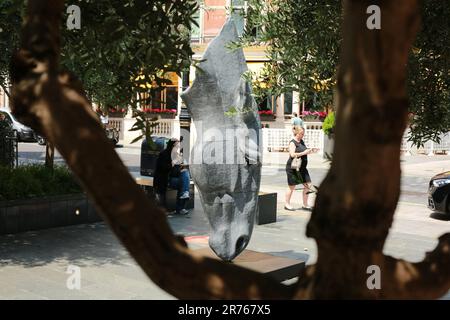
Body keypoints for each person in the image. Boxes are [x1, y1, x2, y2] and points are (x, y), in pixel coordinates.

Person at [154, 137, 191, 215]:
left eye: (178, 147)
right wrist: (173, 163)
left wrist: (181, 166)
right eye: (176, 147)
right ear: (172, 146)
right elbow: (162, 168)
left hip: (174, 178)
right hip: (166, 180)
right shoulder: (163, 154)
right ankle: (180, 207)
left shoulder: (176, 155)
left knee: (185, 174)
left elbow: (176, 171)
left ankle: (185, 194)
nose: (177, 148)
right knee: (184, 182)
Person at [285, 126, 318, 211]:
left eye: (303, 134)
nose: (303, 135)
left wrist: (310, 151)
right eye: (301, 134)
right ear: (297, 133)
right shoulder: (292, 143)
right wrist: (304, 152)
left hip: (302, 168)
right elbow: (292, 154)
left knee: (308, 185)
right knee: (291, 187)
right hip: (293, 168)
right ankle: (287, 204)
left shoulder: (301, 141)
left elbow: (304, 152)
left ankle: (305, 204)